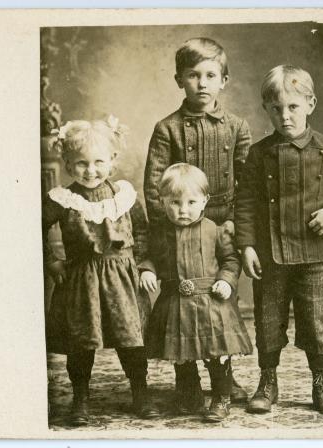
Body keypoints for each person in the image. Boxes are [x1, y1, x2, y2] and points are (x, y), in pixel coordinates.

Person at [235, 65, 323, 416]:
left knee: (315, 321)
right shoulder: (259, 153)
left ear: (311, 104)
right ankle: (267, 381)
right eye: (276, 108)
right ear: (266, 109)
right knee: (268, 321)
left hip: (314, 254)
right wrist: (247, 246)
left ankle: (322, 381)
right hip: (271, 255)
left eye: (293, 107)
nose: (284, 116)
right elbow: (244, 203)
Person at [143, 37, 251, 413]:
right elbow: (155, 185)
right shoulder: (167, 128)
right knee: (181, 309)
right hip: (178, 223)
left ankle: (224, 375)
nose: (202, 83)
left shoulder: (236, 127)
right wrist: (166, 230)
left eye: (210, 75)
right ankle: (186, 382)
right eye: (193, 75)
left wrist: (239, 223)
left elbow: (248, 181)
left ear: (224, 79)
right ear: (179, 80)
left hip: (223, 225)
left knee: (222, 302)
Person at [43, 117, 157, 425]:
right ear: (67, 163)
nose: (90, 170)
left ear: (113, 161)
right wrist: (53, 261)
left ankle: (140, 391)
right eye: (80, 163)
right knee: (82, 341)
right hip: (83, 279)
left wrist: (146, 266)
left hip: (121, 276)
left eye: (98, 162)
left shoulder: (124, 196)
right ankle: (80, 397)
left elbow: (144, 234)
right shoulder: (63, 200)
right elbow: (34, 229)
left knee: (131, 338)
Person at [141, 163, 253, 422]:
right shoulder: (161, 233)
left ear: (204, 201)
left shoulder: (215, 230)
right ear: (162, 202)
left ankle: (221, 396)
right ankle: (188, 392)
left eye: (191, 202)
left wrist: (226, 280)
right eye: (174, 202)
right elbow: (151, 257)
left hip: (211, 303)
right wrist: (147, 270)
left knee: (216, 352)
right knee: (182, 353)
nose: (183, 210)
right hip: (175, 302)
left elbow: (231, 261)